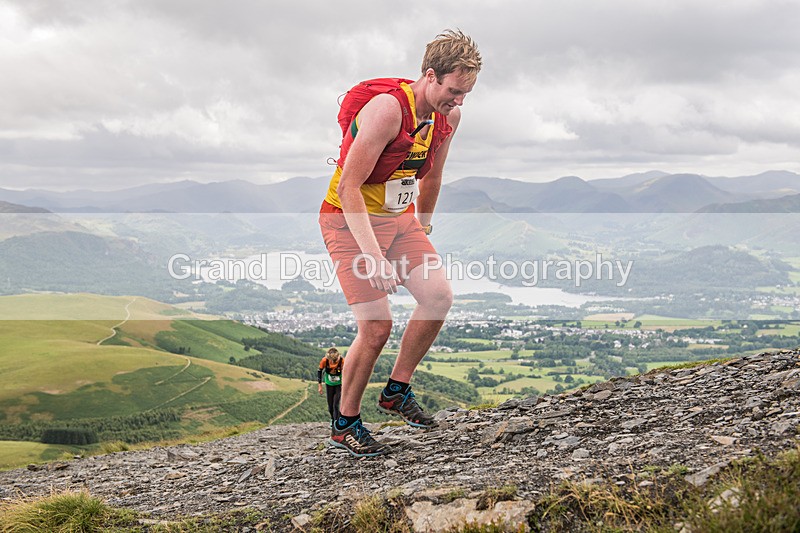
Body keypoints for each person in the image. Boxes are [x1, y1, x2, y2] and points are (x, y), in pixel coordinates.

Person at [318, 29, 482, 457]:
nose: (459, 101)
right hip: (348, 222)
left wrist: (422, 229)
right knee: (376, 327)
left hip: (399, 221)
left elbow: (433, 175)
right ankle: (345, 423)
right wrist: (374, 258)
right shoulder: (388, 111)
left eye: (466, 93)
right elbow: (351, 186)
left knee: (438, 296)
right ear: (430, 76)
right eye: (453, 91)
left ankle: (396, 391)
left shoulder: (449, 118)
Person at [318, 347, 343, 425]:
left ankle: (336, 421)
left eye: (335, 361)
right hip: (329, 384)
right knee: (330, 405)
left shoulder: (342, 361)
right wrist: (320, 386)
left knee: (336, 404)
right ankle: (332, 419)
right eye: (331, 361)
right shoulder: (324, 361)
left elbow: (347, 372)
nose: (332, 362)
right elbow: (319, 371)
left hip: (339, 384)